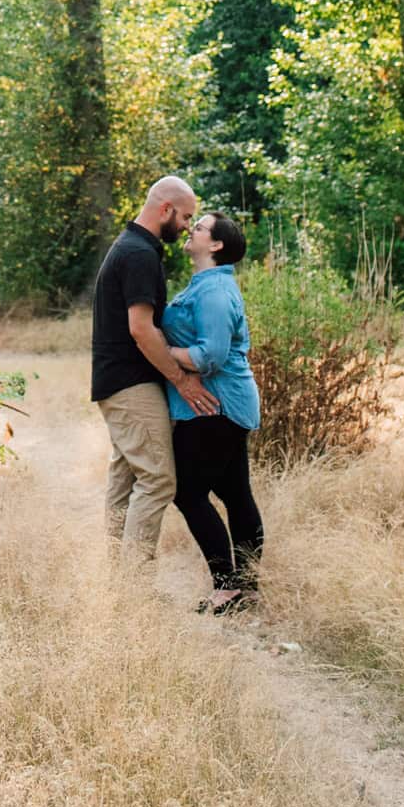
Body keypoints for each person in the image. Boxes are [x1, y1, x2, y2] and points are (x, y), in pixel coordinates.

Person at [90, 176, 219, 562]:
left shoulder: (132, 247)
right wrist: (181, 380)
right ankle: (134, 587)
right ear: (165, 209)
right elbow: (141, 328)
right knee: (159, 481)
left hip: (115, 383)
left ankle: (119, 582)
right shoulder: (139, 254)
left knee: (125, 478)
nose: (185, 227)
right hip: (131, 385)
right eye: (185, 217)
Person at [162, 211, 264, 615]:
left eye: (200, 228)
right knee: (236, 494)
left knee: (187, 492)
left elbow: (211, 355)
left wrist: (163, 355)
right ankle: (247, 587)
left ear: (217, 245)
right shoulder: (205, 285)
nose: (192, 230)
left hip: (216, 405)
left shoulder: (215, 291)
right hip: (220, 404)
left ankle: (227, 587)